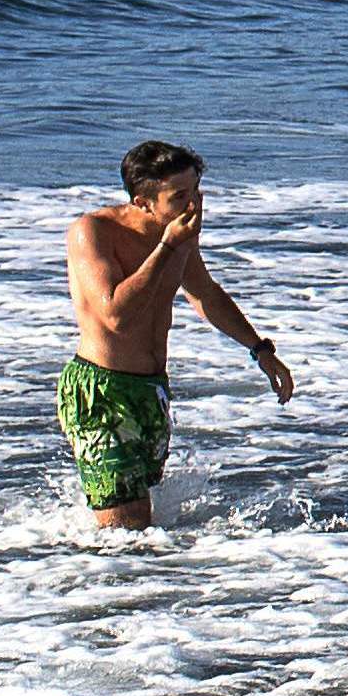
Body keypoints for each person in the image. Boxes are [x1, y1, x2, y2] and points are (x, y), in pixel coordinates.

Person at [62, 138, 293, 531]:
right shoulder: (94, 232)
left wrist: (260, 349)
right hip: (102, 395)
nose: (193, 205)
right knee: (126, 532)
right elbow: (115, 315)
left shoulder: (178, 233)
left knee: (141, 527)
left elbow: (202, 290)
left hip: (151, 392)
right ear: (143, 202)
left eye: (196, 191)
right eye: (180, 196)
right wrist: (168, 245)